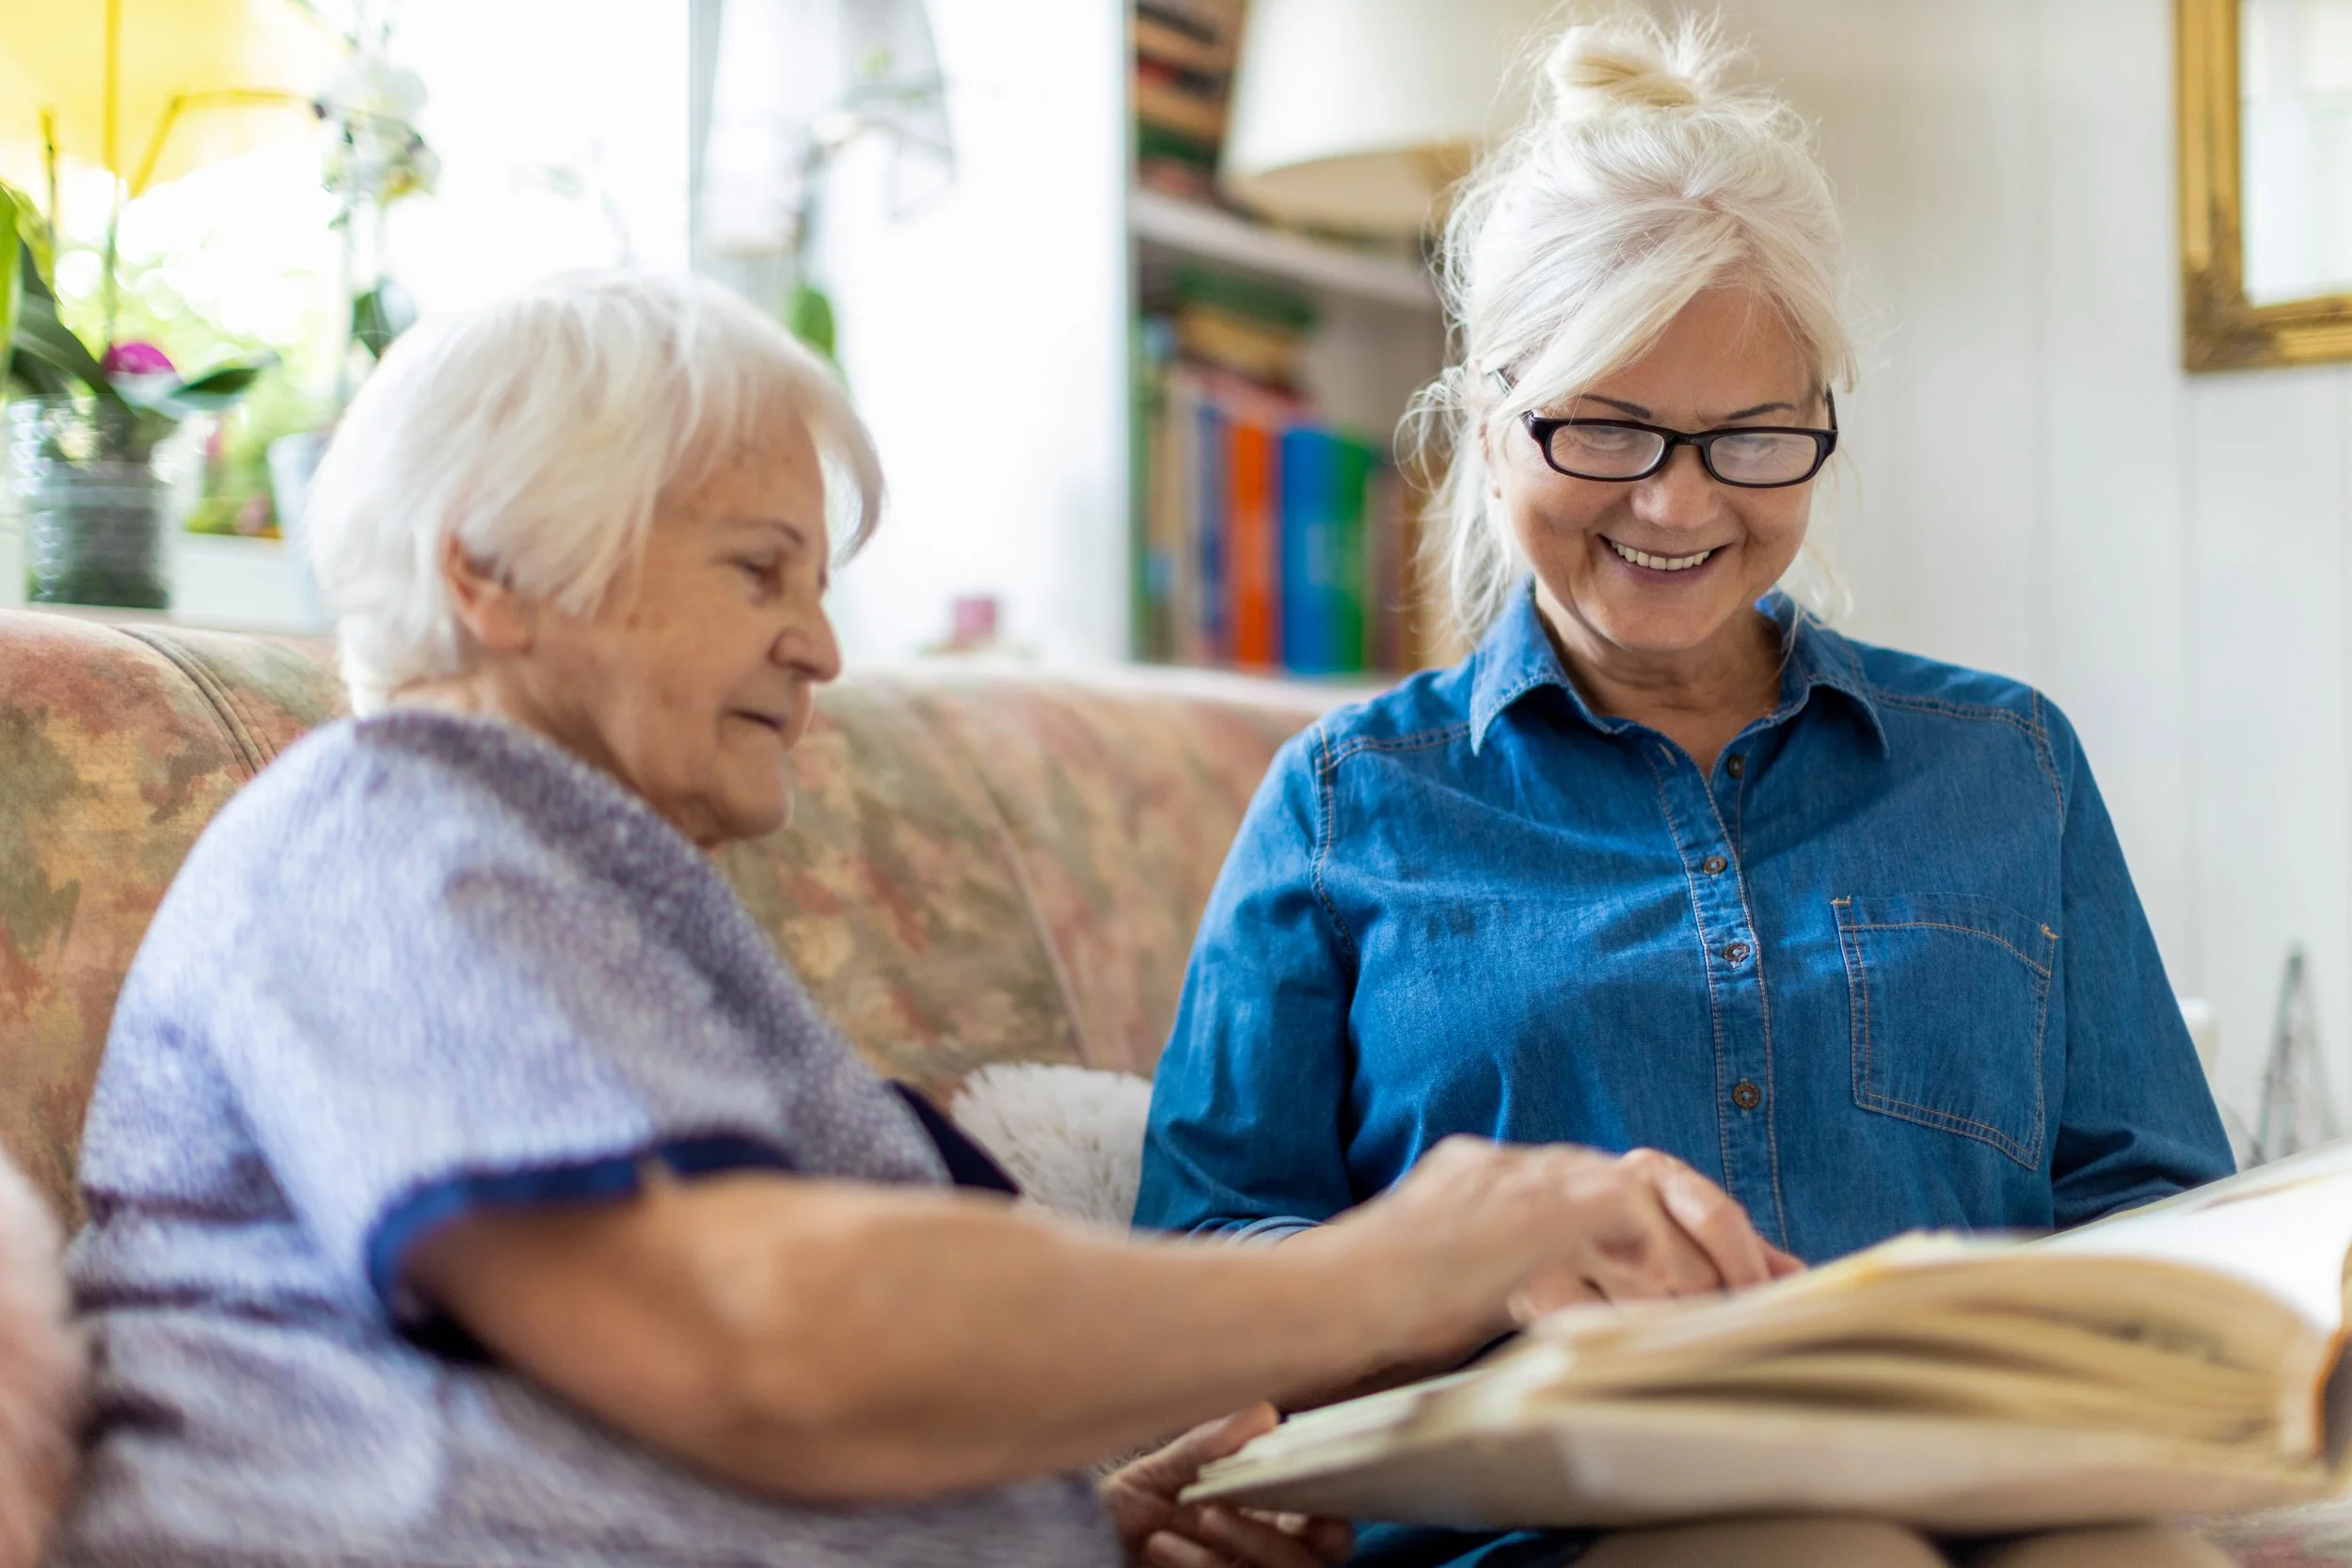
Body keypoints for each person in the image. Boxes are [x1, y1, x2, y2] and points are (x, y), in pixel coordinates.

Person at [52, 270, 1813, 1568]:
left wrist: (1081, 1515)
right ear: (486, 571)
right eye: (758, 570)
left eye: (821, 588)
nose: (821, 649)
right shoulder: (391, 833)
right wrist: (1401, 1261)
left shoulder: (602, 902)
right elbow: (752, 1335)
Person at [1134, 13, 2235, 1568]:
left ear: (1820, 424)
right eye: (1605, 425)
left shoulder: (2009, 765)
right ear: (1489, 410)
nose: (1675, 500)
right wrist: (1475, 1276)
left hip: (1988, 1505)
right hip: (1536, 1530)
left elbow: (2164, 1221)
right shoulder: (1347, 805)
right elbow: (1190, 1266)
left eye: (1750, 438)